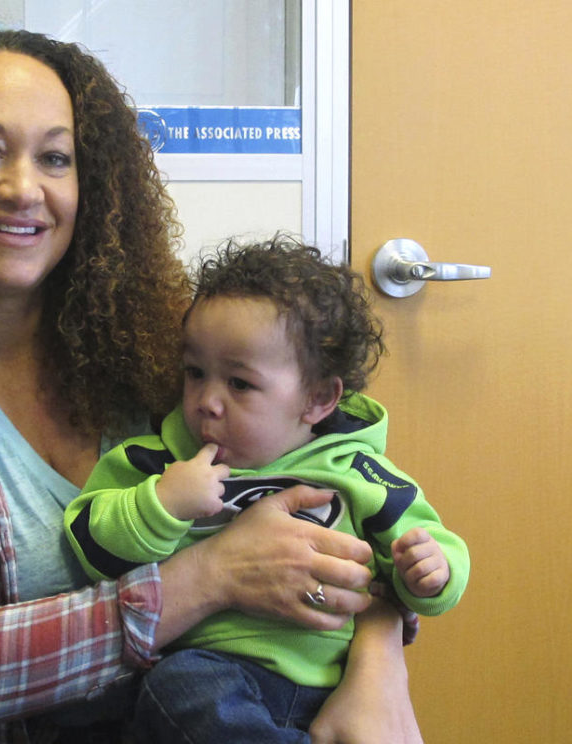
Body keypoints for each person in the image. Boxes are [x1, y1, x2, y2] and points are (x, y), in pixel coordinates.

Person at [0, 26, 422, 744]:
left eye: (55, 158)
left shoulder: (164, 352)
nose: (23, 188)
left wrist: (379, 656)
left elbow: (338, 489)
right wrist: (213, 575)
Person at [65, 236, 470, 743]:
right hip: (216, 675)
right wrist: (160, 506)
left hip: (333, 683)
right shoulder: (158, 462)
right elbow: (88, 542)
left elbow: (431, 550)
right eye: (195, 374)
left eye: (239, 384)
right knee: (175, 689)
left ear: (317, 399)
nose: (207, 402)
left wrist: (431, 573)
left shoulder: (359, 470)